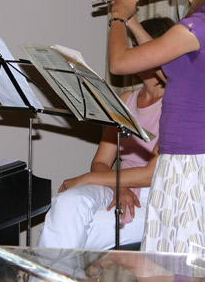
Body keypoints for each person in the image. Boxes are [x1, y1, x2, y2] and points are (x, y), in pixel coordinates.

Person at [66, 0, 205, 255]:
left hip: (190, 166)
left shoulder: (196, 25)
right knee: (162, 268)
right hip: (178, 163)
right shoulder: (199, 22)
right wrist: (133, 21)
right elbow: (161, 65)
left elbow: (119, 63)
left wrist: (118, 18)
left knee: (183, 271)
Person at [37, 17, 173, 250]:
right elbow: (100, 161)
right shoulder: (125, 100)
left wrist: (89, 178)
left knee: (67, 228)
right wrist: (119, 187)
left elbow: (153, 174)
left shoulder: (176, 104)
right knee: (66, 204)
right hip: (116, 185)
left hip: (154, 196)